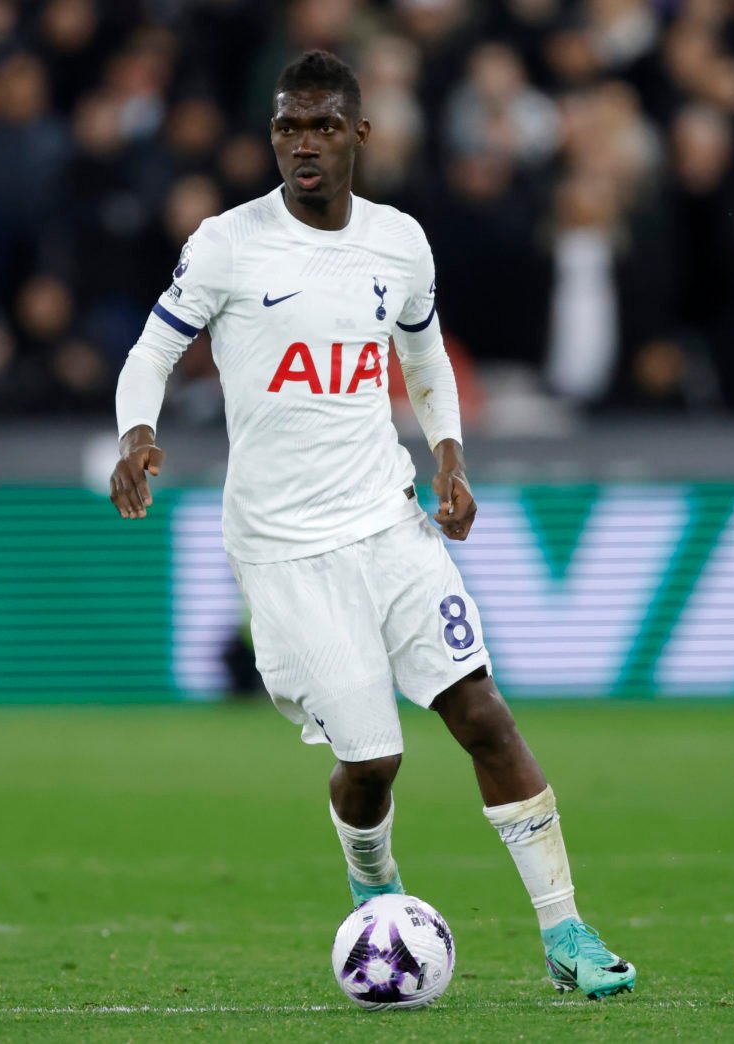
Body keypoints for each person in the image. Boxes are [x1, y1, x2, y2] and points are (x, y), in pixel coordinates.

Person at [108, 50, 635, 1000]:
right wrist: (137, 434)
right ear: (273, 137)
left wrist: (449, 455)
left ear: (359, 134)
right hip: (285, 550)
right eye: (286, 128)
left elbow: (426, 358)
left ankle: (567, 933)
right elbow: (150, 353)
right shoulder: (228, 243)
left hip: (391, 524)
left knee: (484, 715)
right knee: (374, 758)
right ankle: (371, 874)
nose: (302, 145)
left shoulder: (399, 242)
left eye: (320, 127)